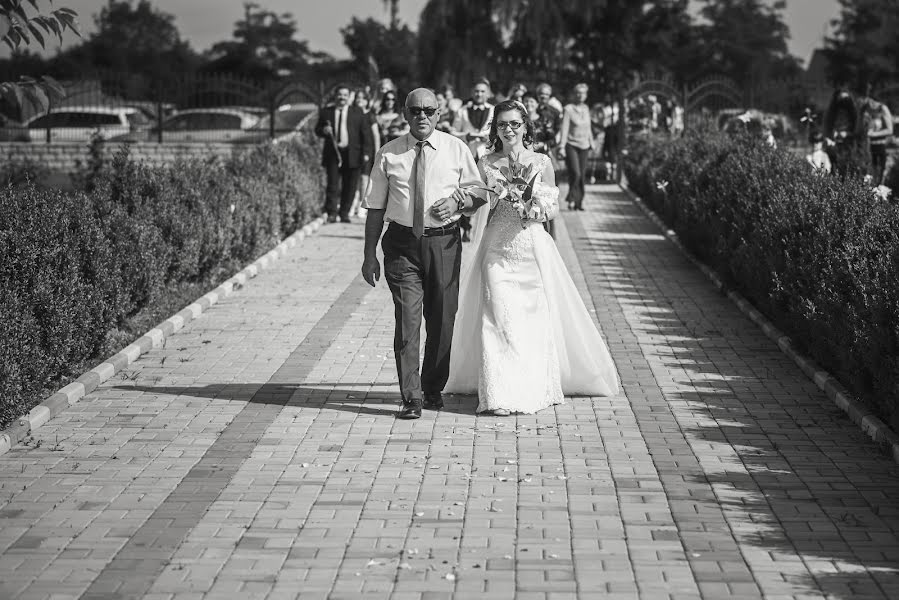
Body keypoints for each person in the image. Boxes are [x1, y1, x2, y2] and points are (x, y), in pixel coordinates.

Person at [444, 100, 620, 415]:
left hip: (530, 247)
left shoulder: (541, 162)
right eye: (502, 124)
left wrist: (533, 207)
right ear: (495, 128)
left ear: (526, 126)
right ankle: (499, 393)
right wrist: (463, 200)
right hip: (497, 247)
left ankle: (532, 383)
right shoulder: (485, 163)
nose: (508, 129)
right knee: (497, 315)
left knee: (531, 319)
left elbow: (552, 205)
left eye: (514, 123)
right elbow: (478, 199)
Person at [361, 88, 485, 420]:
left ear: (439, 113)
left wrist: (458, 202)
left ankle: (432, 388)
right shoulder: (389, 154)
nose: (422, 116)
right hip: (402, 245)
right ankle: (411, 396)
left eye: (429, 110)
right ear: (405, 114)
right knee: (408, 320)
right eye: (415, 110)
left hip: (443, 243)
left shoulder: (456, 149)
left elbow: (478, 194)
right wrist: (368, 255)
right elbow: (375, 207)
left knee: (443, 319)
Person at [314, 84, 373, 223]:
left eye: (345, 95)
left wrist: (366, 153)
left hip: (353, 154)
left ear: (349, 97)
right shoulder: (326, 112)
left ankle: (344, 213)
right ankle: (332, 213)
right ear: (335, 96)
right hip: (333, 153)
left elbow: (366, 134)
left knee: (350, 185)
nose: (342, 98)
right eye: (340, 95)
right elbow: (317, 130)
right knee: (332, 185)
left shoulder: (357, 112)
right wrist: (324, 130)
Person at [559, 83, 595, 211]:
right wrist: (562, 146)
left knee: (582, 175)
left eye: (583, 93)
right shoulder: (568, 109)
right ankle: (571, 198)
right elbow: (565, 128)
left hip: (585, 145)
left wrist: (592, 141)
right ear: (574, 94)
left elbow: (588, 126)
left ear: (586, 95)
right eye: (578, 93)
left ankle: (579, 202)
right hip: (571, 145)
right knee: (575, 173)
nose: (580, 95)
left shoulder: (586, 108)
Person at [350, 87, 381, 218]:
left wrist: (378, 153)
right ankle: (352, 205)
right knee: (354, 179)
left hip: (368, 150)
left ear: (367, 100)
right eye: (357, 98)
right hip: (355, 150)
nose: (359, 101)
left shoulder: (370, 115)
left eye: (362, 98)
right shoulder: (351, 114)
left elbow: (376, 135)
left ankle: (362, 206)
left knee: (364, 179)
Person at [452, 78, 494, 160]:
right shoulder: (462, 110)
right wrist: (465, 137)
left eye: (482, 91)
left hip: (489, 155)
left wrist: (490, 138)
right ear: (472, 93)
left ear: (488, 94)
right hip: (467, 155)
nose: (479, 94)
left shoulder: (494, 110)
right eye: (476, 91)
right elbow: (453, 133)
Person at [862, 94, 893, 185]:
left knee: (880, 175)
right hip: (868, 147)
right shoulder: (867, 110)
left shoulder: (882, 109)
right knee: (870, 174)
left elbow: (890, 130)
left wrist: (873, 134)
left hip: (881, 147)